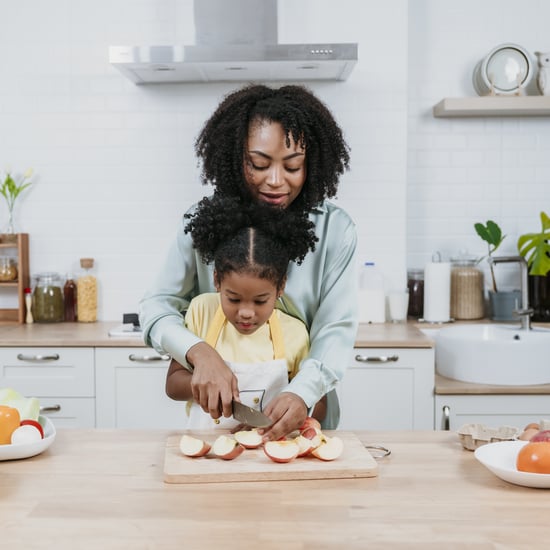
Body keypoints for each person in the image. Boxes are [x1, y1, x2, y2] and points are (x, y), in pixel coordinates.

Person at [139, 83, 358, 441]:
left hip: (304, 423)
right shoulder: (200, 224)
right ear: (234, 158)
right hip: (219, 433)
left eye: (293, 166)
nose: (275, 181)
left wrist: (303, 392)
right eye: (258, 164)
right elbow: (156, 307)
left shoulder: (336, 231)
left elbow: (335, 332)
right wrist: (199, 352)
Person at [165, 194, 327, 429]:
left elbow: (321, 404)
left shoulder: (294, 332)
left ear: (280, 287)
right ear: (217, 281)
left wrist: (297, 404)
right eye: (233, 299)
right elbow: (172, 384)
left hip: (266, 455)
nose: (246, 313)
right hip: (207, 453)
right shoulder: (202, 311)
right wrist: (202, 383)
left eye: (260, 301)